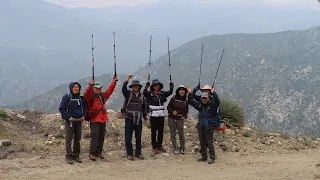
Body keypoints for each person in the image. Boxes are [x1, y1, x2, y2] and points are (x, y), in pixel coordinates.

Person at [85, 76, 118, 161]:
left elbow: (109, 91)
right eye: (96, 88)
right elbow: (87, 94)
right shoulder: (90, 97)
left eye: (99, 88)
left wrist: (114, 82)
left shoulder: (102, 96)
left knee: (101, 136)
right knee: (95, 136)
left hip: (102, 118)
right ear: (93, 89)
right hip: (94, 119)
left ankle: (98, 152)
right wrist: (90, 86)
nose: (98, 90)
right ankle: (92, 153)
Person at [186, 86, 220, 164]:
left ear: (208, 98)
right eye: (202, 98)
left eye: (205, 98)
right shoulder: (200, 106)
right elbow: (190, 101)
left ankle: (212, 157)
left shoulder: (212, 106)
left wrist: (213, 93)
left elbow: (218, 102)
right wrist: (191, 92)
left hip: (209, 127)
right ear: (201, 99)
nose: (204, 99)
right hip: (201, 126)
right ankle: (204, 156)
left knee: (209, 142)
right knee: (202, 142)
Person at [59, 82, 86, 164]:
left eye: (77, 87)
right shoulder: (67, 97)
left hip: (78, 121)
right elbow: (62, 109)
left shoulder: (81, 97)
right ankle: (68, 156)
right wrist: (68, 117)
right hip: (70, 121)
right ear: (71, 88)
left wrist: (84, 115)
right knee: (69, 139)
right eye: (74, 87)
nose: (76, 88)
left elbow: (85, 107)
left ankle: (76, 155)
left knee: (77, 139)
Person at [122, 74, 148, 161]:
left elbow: (144, 107)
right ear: (132, 87)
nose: (135, 87)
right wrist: (127, 79)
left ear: (139, 87)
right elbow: (123, 89)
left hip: (138, 119)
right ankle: (129, 154)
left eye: (137, 86)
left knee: (138, 137)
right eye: (134, 86)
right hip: (129, 118)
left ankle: (138, 153)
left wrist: (145, 117)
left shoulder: (142, 96)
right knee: (128, 137)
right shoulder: (128, 94)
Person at [144, 79, 174, 154]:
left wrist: (171, 87)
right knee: (154, 131)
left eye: (157, 85)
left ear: (159, 86)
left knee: (161, 130)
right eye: (155, 85)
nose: (156, 86)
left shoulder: (162, 93)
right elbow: (144, 93)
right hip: (153, 115)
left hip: (161, 115)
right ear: (152, 86)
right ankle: (154, 146)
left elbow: (170, 92)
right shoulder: (150, 94)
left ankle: (159, 145)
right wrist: (146, 87)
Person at [167, 85, 188, 154]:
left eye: (183, 90)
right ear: (178, 91)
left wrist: (185, 116)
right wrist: (172, 111)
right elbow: (168, 107)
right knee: (173, 134)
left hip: (180, 118)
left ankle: (182, 147)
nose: (181, 91)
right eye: (180, 90)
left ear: (185, 91)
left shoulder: (185, 100)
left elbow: (186, 110)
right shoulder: (174, 98)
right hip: (171, 118)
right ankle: (175, 148)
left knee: (181, 134)